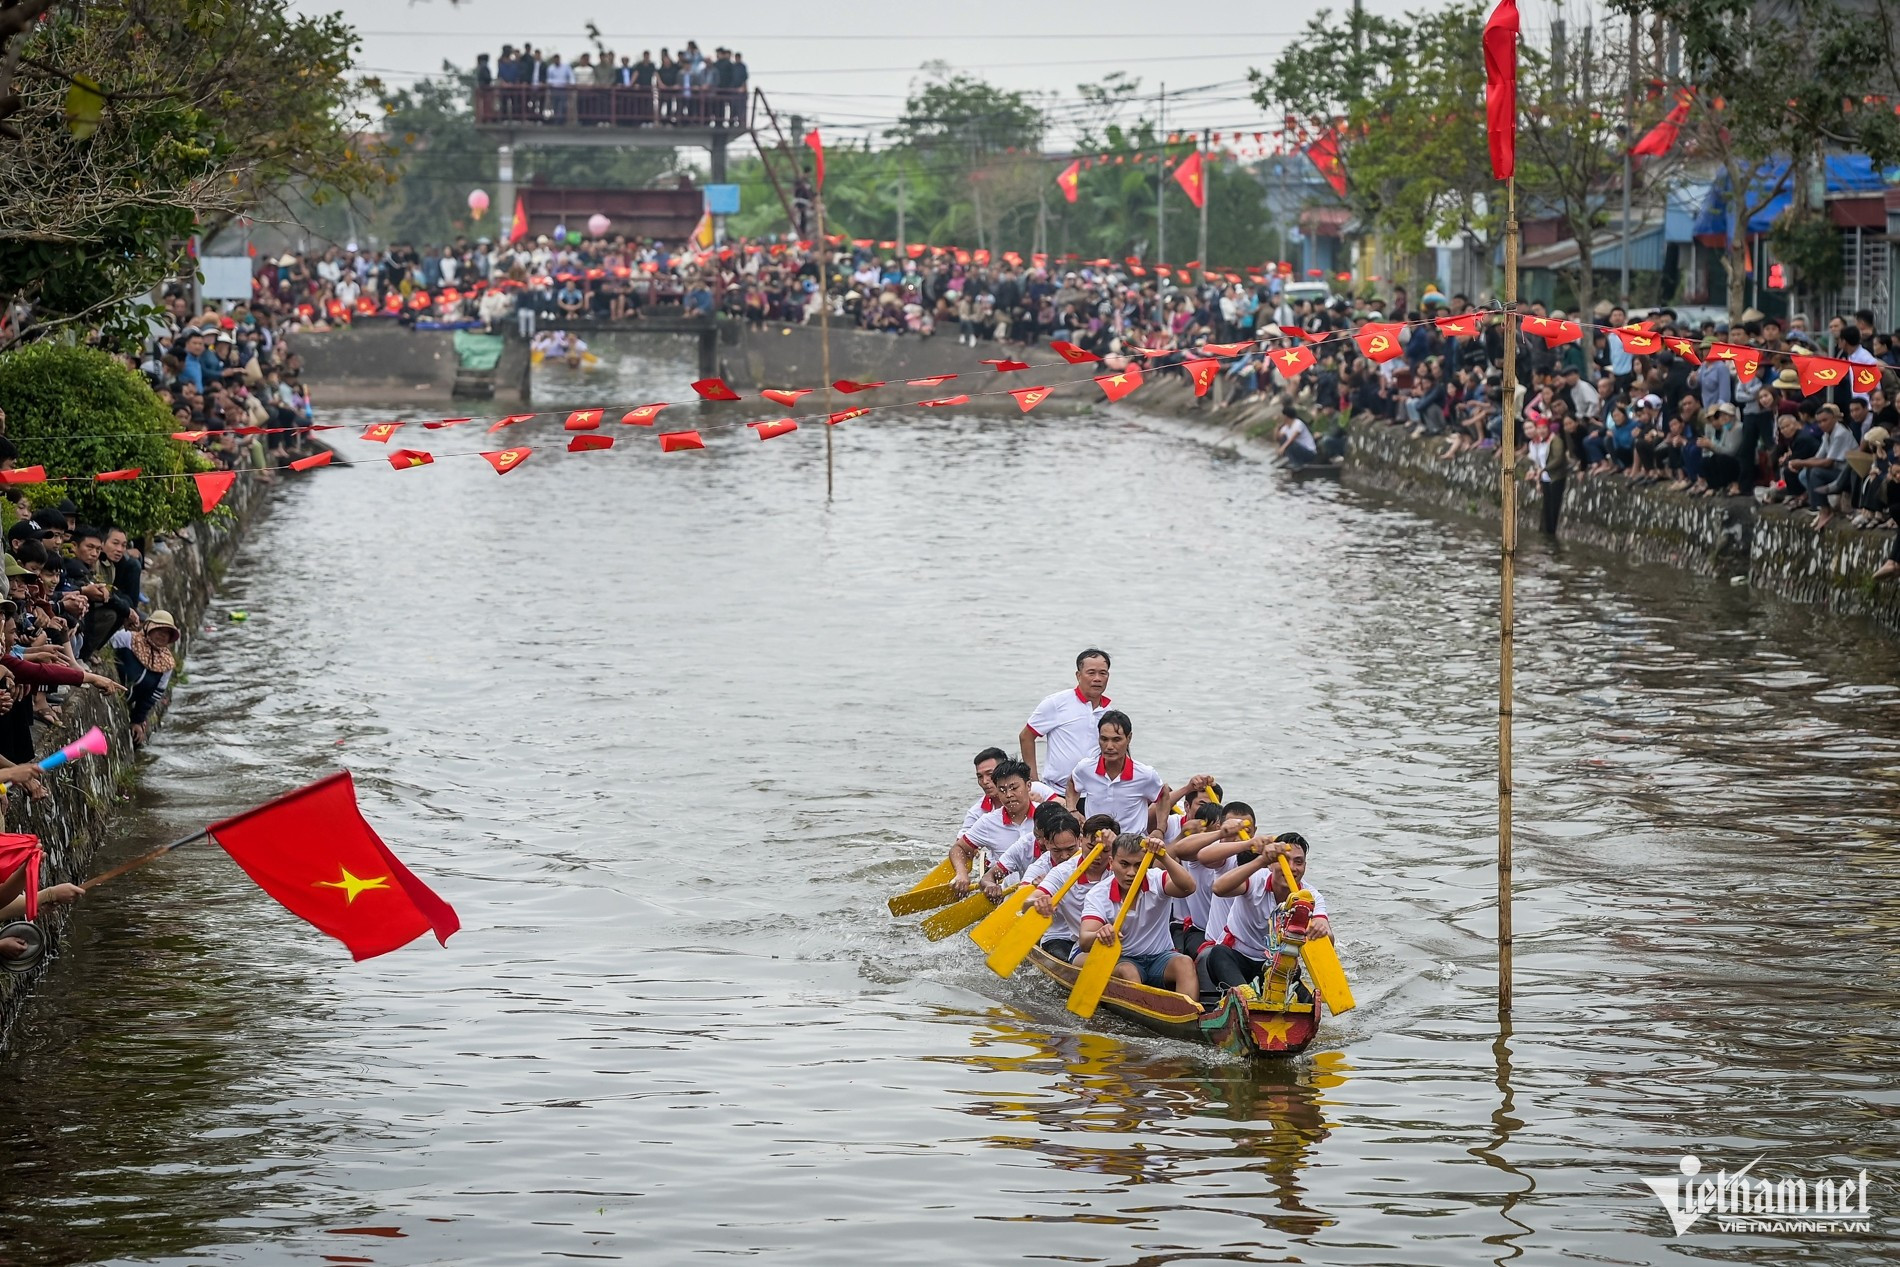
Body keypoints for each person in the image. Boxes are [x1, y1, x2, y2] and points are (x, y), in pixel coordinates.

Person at [1206, 831, 1332, 992]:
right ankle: (1245, 996)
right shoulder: (1257, 878)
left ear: (1305, 867)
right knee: (1218, 954)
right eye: (1284, 861)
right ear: (1271, 864)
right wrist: (1260, 861)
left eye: (1298, 862)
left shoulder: (1311, 896)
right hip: (1237, 958)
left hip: (1276, 965)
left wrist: (1322, 929)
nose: (1292, 868)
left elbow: (1327, 933)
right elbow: (1218, 888)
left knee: (1304, 994)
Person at [1076, 832, 1198, 997]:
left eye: (1138, 865)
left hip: (1160, 957)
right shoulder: (1098, 894)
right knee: (1129, 971)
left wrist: (1163, 856)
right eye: (1124, 864)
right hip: (1123, 958)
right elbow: (1084, 941)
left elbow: (1188, 887)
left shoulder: (1157, 879)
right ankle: (1142, 1014)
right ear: (1111, 863)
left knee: (1185, 963)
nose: (1132, 873)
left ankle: (1189, 1017)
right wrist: (1100, 934)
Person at [1019, 648, 1111, 793]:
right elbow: (1026, 736)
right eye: (1091, 672)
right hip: (1057, 791)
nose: (1097, 678)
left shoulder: (1109, 712)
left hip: (1095, 792)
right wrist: (1034, 781)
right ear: (1078, 675)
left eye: (1103, 673)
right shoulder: (1057, 703)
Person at [1028, 814, 1119, 960]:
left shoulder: (1123, 870)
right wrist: (1037, 902)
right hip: (1079, 941)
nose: (1097, 856)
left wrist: (1119, 844)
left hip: (1120, 942)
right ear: (1081, 841)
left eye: (1105, 850)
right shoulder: (1063, 872)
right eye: (1091, 847)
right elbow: (1028, 901)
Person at [947, 758, 1040, 896]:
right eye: (1002, 790)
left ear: (1028, 786)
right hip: (1008, 895)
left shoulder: (1046, 815)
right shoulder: (988, 822)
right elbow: (958, 848)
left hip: (1043, 890)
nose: (1008, 795)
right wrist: (961, 873)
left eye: (1014, 788)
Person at [1062, 709, 1163, 834]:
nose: (1109, 746)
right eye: (1104, 739)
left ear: (1129, 738)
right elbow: (1072, 782)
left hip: (1130, 845)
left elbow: (1163, 796)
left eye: (1116, 740)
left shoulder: (1145, 775)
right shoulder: (1085, 768)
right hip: (1094, 842)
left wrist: (1160, 830)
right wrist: (1072, 810)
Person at [109, 609, 179, 747]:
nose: (162, 635)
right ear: (148, 628)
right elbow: (104, 645)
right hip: (113, 694)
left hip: (130, 704)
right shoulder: (127, 639)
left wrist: (138, 720)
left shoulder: (167, 663)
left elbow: (153, 695)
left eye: (167, 633)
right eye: (159, 629)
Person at [1521, 415, 1568, 536]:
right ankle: (1548, 535)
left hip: (1554, 477)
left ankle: (1551, 533)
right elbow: (1538, 463)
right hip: (1545, 478)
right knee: (1547, 508)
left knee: (1554, 508)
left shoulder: (1554, 440)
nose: (1541, 431)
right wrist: (1537, 476)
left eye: (1544, 428)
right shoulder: (1537, 443)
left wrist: (1543, 470)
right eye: (1539, 428)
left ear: (1548, 428)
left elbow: (1558, 459)